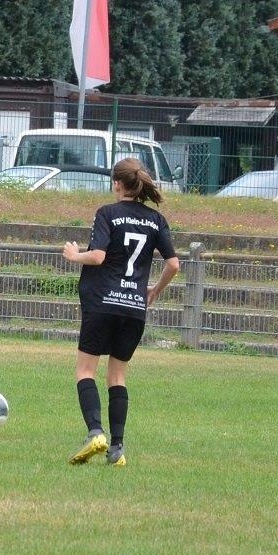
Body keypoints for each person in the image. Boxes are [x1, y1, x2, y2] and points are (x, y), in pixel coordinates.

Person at [61, 157, 180, 468]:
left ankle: (95, 432)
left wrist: (75, 255)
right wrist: (154, 291)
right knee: (117, 376)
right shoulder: (156, 220)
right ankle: (116, 448)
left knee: (85, 371)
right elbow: (173, 264)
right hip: (134, 308)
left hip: (102, 303)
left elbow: (98, 257)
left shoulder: (107, 213)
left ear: (117, 183)